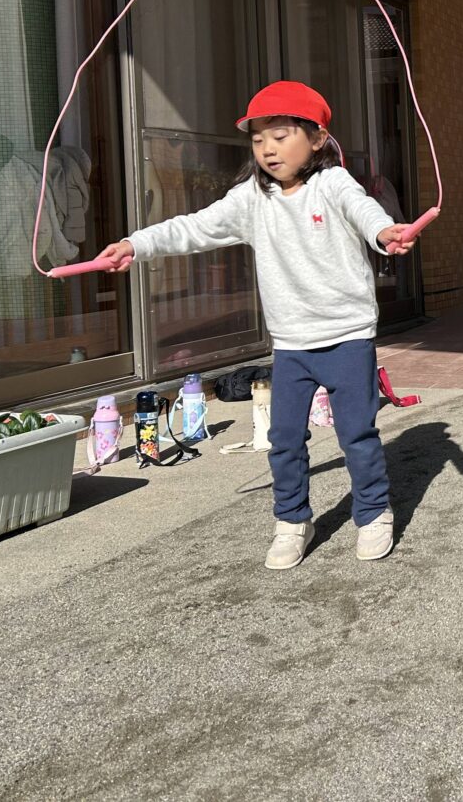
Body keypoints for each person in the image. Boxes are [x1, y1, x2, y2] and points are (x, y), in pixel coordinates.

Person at [96, 81, 419, 571]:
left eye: (281, 136)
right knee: (283, 440)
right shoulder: (251, 198)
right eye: (258, 139)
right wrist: (134, 245)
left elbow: (366, 213)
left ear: (317, 138)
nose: (268, 148)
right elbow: (194, 226)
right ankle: (292, 522)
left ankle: (373, 513)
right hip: (290, 345)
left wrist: (384, 233)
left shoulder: (333, 184)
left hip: (348, 338)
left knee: (357, 434)